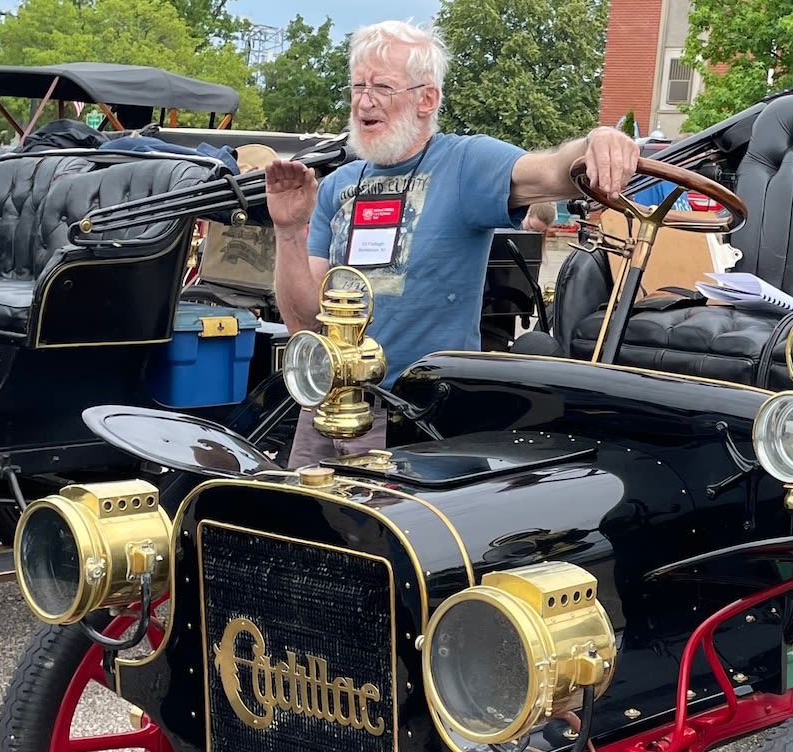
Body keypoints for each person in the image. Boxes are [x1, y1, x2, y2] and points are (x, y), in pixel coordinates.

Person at [266, 19, 638, 469]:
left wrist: (597, 141)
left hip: (419, 417)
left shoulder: (463, 163)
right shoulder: (337, 185)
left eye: (382, 87)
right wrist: (288, 230)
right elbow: (305, 324)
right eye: (358, 85)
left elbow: (549, 172)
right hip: (327, 405)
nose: (364, 101)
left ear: (427, 98)